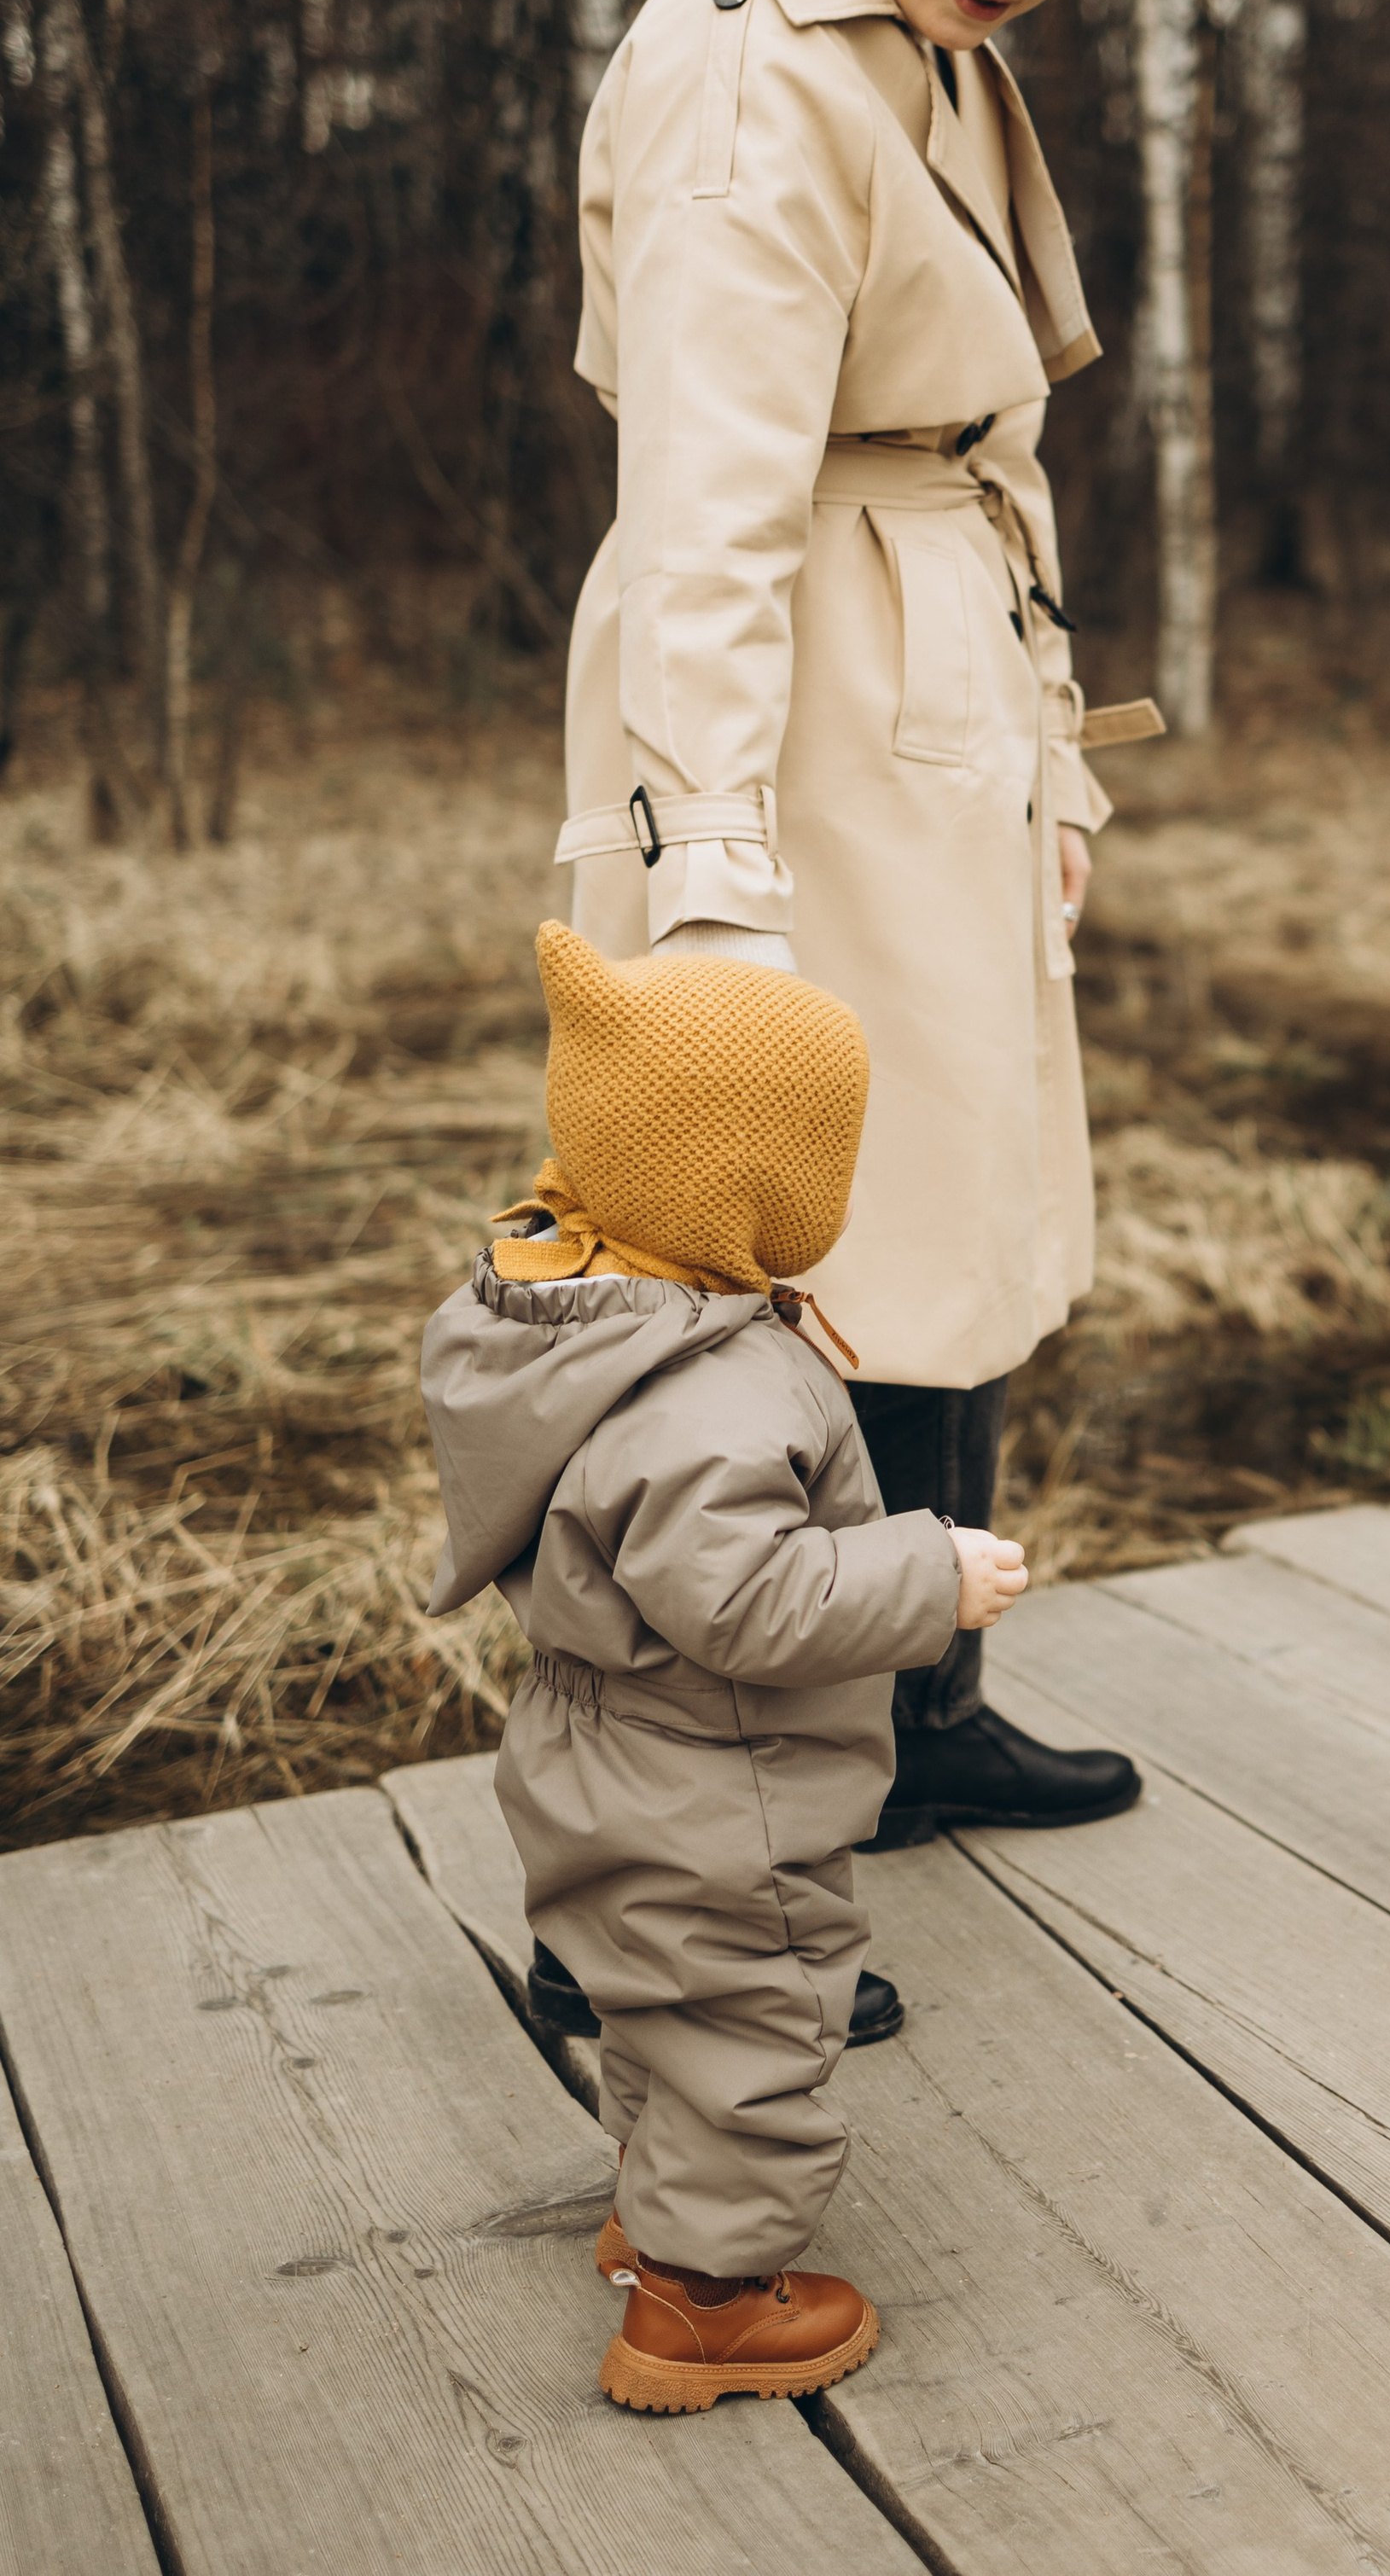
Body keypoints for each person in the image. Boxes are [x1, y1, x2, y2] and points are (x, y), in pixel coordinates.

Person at [552, 0, 1164, 1870]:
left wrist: (1053, 759)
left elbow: (980, 435)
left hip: (923, 674)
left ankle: (913, 1712)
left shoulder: (920, 36)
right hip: (780, 692)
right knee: (746, 1263)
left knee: (939, 1216)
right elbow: (706, 513)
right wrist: (707, 873)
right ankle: (670, 1846)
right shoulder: (751, 63)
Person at [420, 921, 1031, 2410]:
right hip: (719, 1779)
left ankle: (661, 2220)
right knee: (756, 2017)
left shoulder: (570, 1306)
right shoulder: (710, 1391)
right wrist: (930, 1575)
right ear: (753, 1182)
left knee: (659, 2001)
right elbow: (745, 1601)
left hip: (593, 1749)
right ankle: (703, 2307)